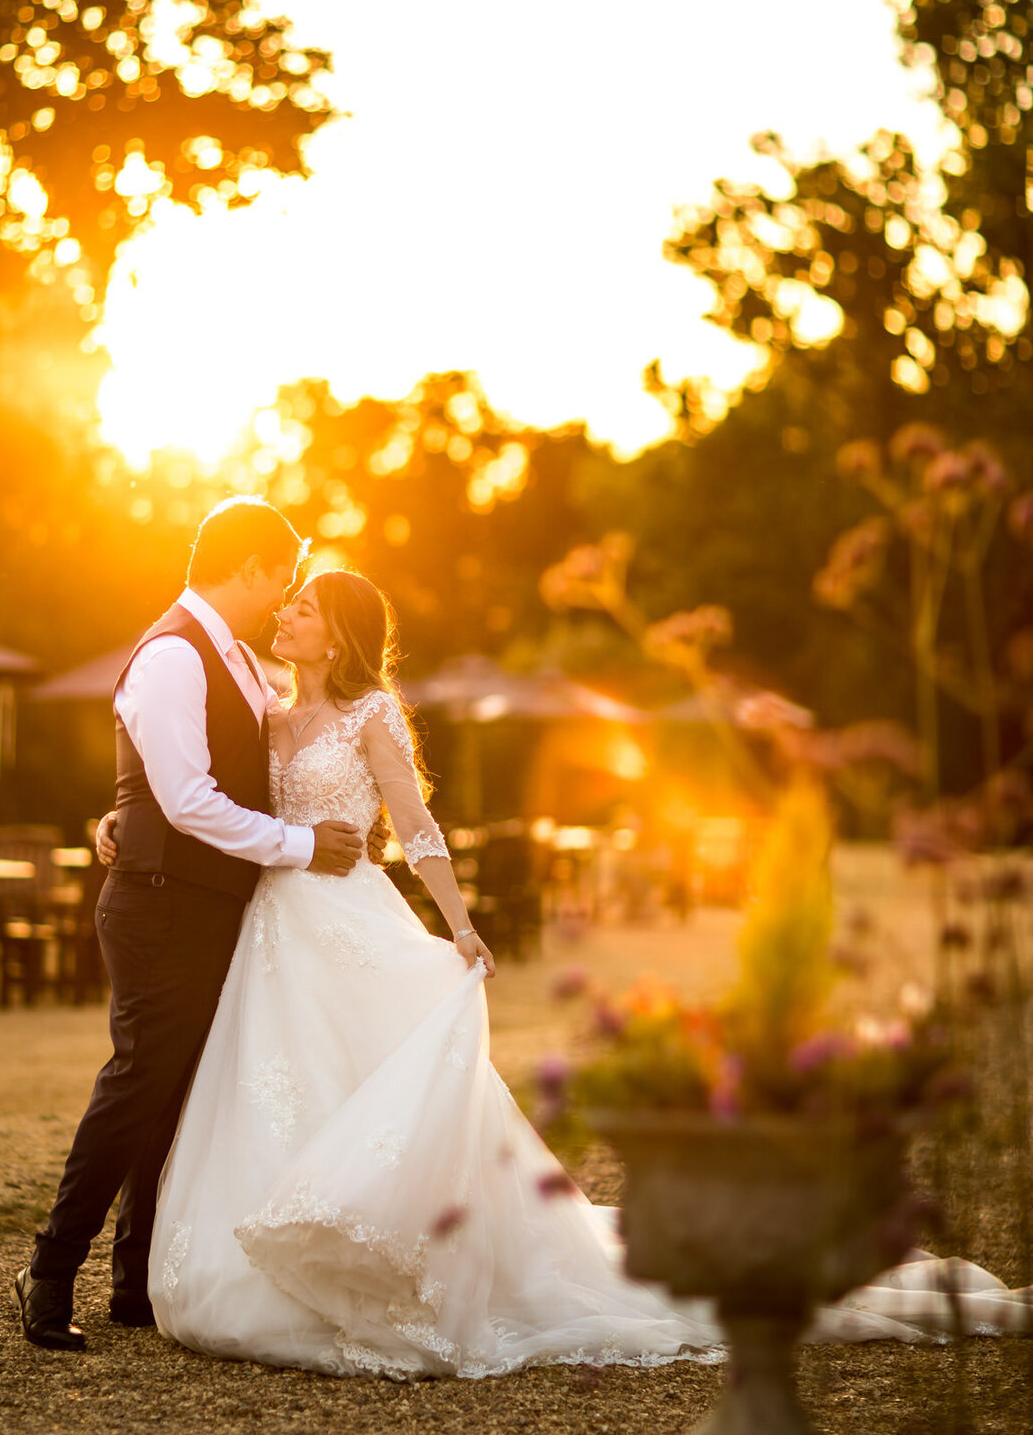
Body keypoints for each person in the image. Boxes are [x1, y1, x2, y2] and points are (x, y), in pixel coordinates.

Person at [97, 563, 1029, 1378]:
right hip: (276, 928)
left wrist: (459, 926)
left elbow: (415, 829)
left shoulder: (373, 716)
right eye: (285, 602)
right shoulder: (261, 705)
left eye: (302, 607)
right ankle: (263, 1260)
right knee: (282, 1085)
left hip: (352, 918)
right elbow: (191, 785)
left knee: (378, 1080)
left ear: (337, 631)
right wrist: (116, 823)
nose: (284, 616)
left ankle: (385, 1257)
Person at [13, 498, 381, 1352]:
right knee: (141, 1081)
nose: (285, 596)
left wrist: (116, 813)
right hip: (162, 903)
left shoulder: (239, 662)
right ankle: (50, 1268)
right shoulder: (176, 655)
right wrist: (298, 845)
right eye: (282, 577)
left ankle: (133, 1284)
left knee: (173, 1093)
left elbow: (172, 776)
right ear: (249, 566)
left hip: (209, 904)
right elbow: (186, 799)